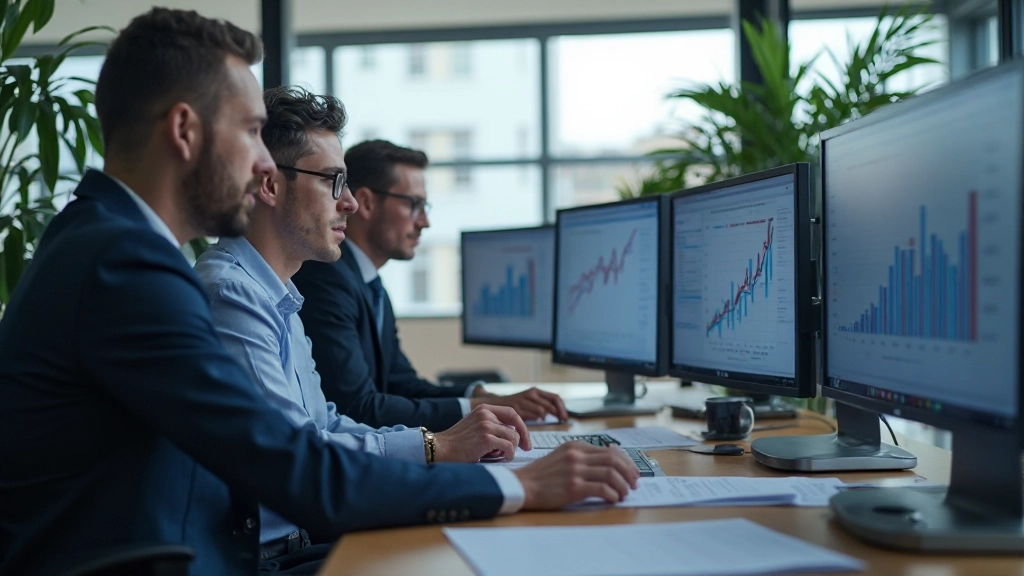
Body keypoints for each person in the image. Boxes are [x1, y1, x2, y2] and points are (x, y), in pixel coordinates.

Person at [0, 9, 639, 576]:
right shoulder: (126, 265)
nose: (261, 165)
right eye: (250, 132)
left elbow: (308, 441)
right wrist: (517, 488)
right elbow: (298, 470)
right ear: (185, 131)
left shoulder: (104, 239)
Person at [194, 86, 542, 564]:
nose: (350, 204)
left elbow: (328, 422)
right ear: (270, 185)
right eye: (333, 182)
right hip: (270, 558)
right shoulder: (231, 293)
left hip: (306, 539)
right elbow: (304, 456)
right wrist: (437, 446)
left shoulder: (280, 293)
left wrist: (440, 448)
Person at [292, 139, 568, 431]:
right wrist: (477, 409)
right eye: (415, 204)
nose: (425, 222)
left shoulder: (371, 286)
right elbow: (358, 407)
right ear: (368, 203)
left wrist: (478, 395)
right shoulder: (328, 280)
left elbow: (401, 383)